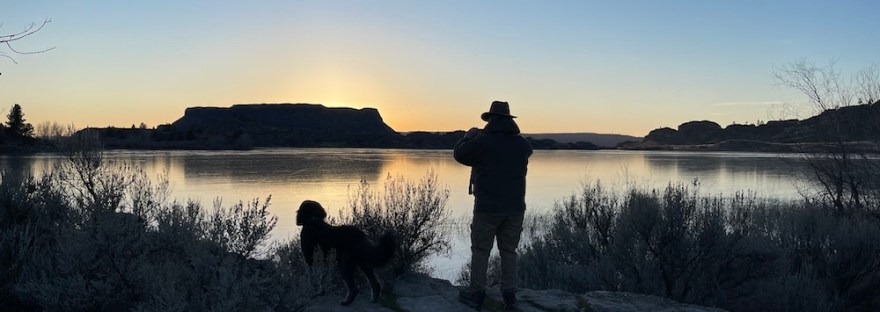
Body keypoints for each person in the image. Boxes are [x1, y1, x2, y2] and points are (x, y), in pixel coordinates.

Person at [454, 101, 533, 311]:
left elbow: (460, 155)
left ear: (491, 120)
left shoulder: (482, 142)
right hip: (515, 208)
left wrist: (467, 137)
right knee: (509, 251)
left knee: (481, 250)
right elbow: (526, 152)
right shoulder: (523, 145)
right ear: (508, 120)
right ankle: (509, 298)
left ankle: (476, 294)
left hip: (488, 208)